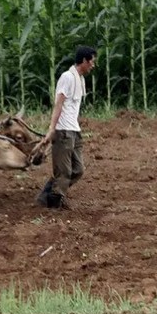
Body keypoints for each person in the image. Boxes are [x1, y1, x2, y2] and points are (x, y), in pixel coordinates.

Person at [35, 45, 97, 209]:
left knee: (78, 169)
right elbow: (59, 104)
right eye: (92, 61)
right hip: (64, 131)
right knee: (64, 172)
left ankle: (46, 196)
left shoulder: (80, 79)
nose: (93, 65)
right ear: (84, 60)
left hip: (74, 130)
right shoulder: (67, 77)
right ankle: (53, 204)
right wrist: (52, 128)